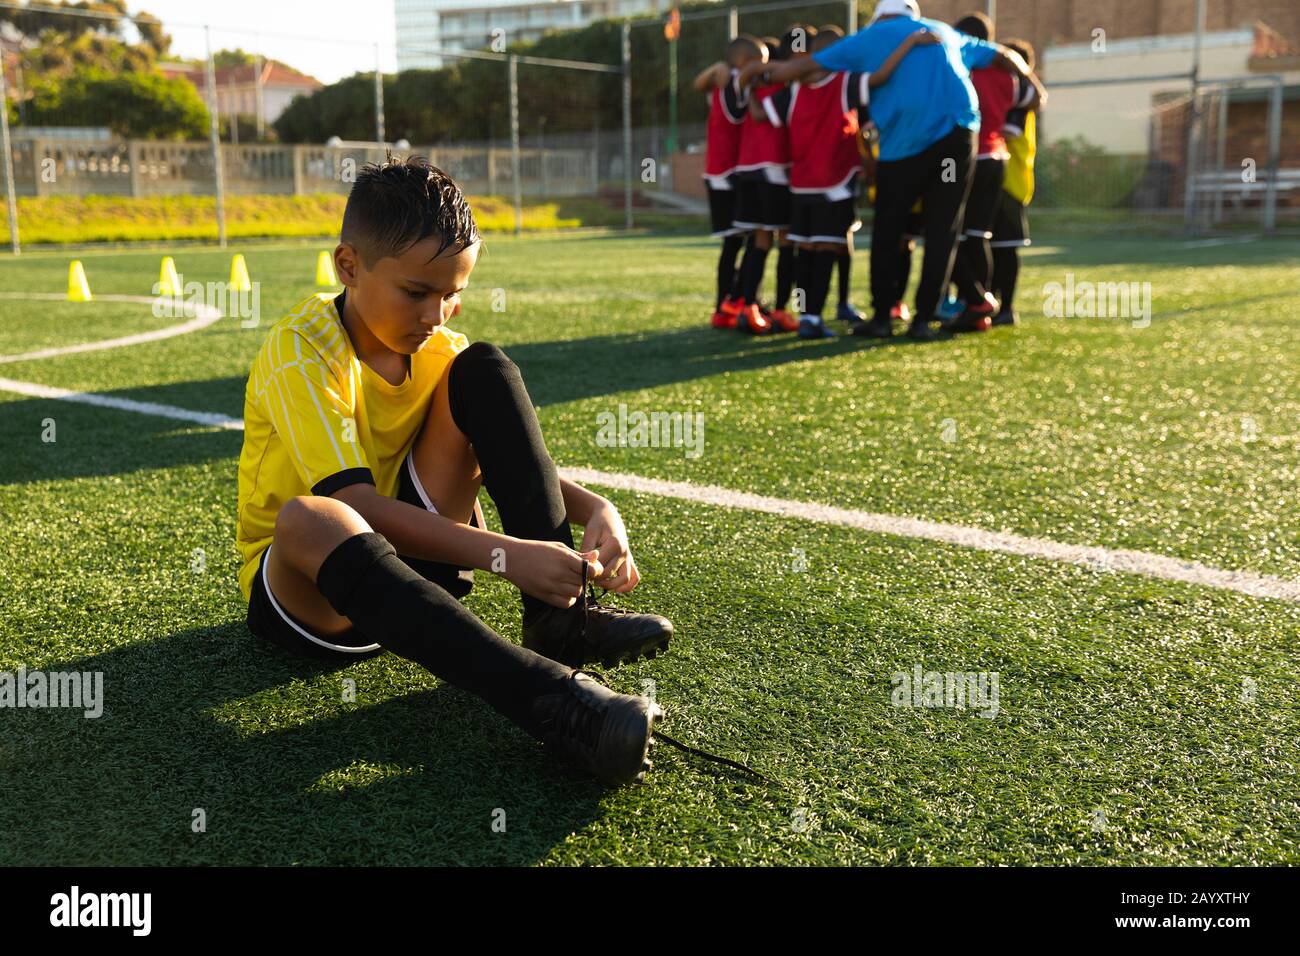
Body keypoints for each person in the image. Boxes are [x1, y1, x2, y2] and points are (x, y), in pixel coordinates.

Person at [235, 156, 672, 786]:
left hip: (414, 564)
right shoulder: (300, 351)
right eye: (417, 292)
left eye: (453, 295)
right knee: (311, 515)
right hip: (316, 594)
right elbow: (356, 503)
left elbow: (503, 453)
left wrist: (598, 508)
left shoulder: (437, 346)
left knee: (484, 370)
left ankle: (557, 620)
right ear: (348, 266)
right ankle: (552, 701)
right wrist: (504, 553)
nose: (436, 315)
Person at [775, 0, 1036, 341]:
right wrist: (1033, 83)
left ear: (881, 14)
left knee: (890, 227)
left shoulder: (869, 36)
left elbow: (804, 67)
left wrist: (758, 73)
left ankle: (882, 316)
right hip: (956, 141)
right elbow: (1004, 55)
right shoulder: (945, 32)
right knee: (943, 228)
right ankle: (923, 320)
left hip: (904, 147)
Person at [743, 23, 937, 339]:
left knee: (805, 249)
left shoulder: (792, 90)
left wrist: (750, 84)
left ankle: (808, 317)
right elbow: (881, 77)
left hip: (801, 184)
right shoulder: (844, 82)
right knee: (825, 250)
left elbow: (760, 115)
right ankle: (815, 318)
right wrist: (911, 42)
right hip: (834, 183)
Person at [945, 12, 1044, 332]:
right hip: (1000, 163)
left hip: (975, 160)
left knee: (959, 236)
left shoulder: (962, 70)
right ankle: (983, 306)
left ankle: (977, 303)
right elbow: (1038, 98)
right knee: (981, 237)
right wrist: (1021, 70)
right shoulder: (1009, 79)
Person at [694, 35, 772, 332]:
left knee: (744, 240)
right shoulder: (736, 81)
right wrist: (719, 69)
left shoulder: (724, 81)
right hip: (727, 175)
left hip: (727, 173)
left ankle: (735, 300)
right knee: (739, 240)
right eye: (759, 62)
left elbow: (700, 84)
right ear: (742, 63)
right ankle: (727, 304)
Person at [989, 38, 1040, 326]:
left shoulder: (1018, 99)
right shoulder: (1014, 94)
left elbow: (1006, 133)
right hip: (1002, 181)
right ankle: (990, 302)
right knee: (992, 246)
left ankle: (1006, 307)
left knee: (1005, 248)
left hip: (1009, 182)